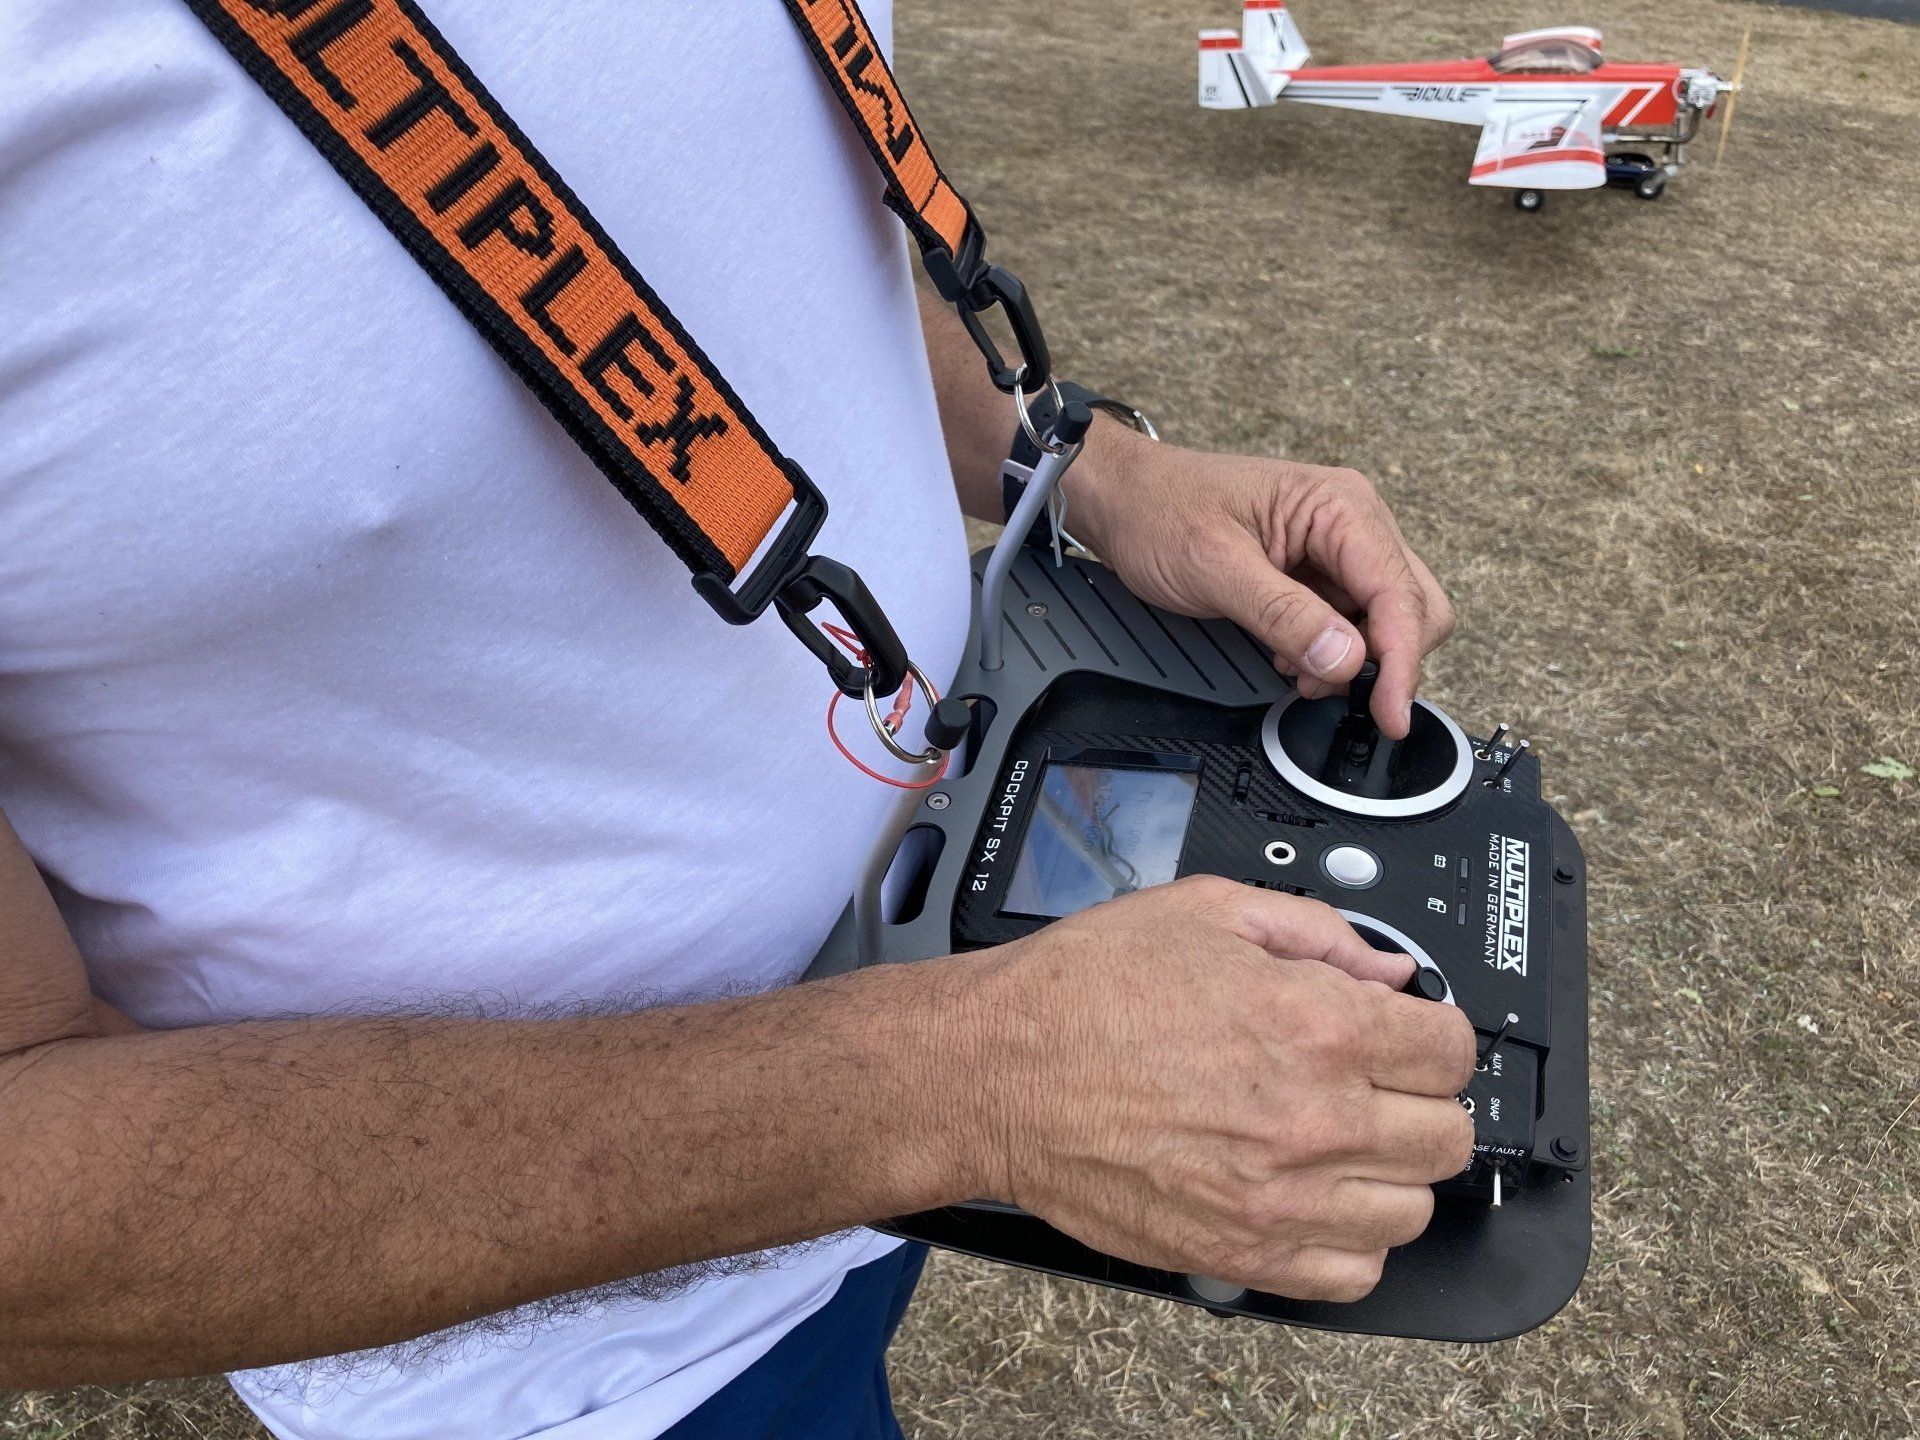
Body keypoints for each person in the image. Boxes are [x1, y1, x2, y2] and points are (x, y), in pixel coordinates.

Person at [0, 5, 1472, 1437]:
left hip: (931, 1088)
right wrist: (969, 1079)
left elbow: (730, 231)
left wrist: (1080, 464)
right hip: (588, 1364)